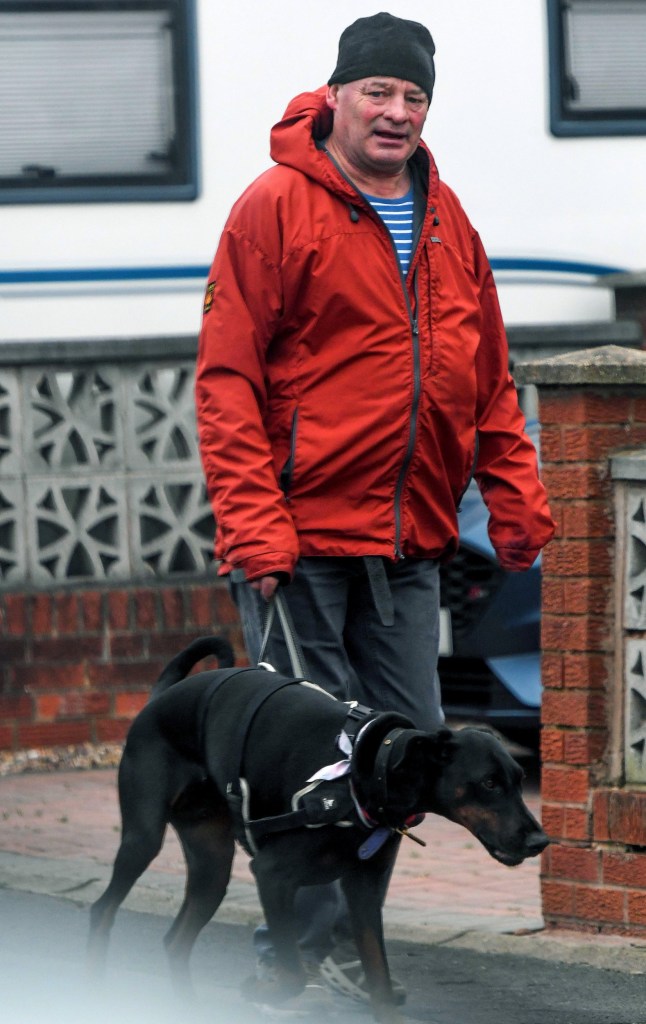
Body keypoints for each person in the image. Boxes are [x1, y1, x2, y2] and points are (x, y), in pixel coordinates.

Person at [196, 10, 555, 1009]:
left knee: (407, 756)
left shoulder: (448, 220)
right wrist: (254, 523)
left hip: (406, 546)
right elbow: (226, 381)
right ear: (339, 95)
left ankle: (339, 941)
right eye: (378, 93)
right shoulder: (271, 208)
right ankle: (296, 957)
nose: (395, 113)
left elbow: (485, 380)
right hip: (297, 543)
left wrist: (515, 498)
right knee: (311, 763)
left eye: (412, 97)